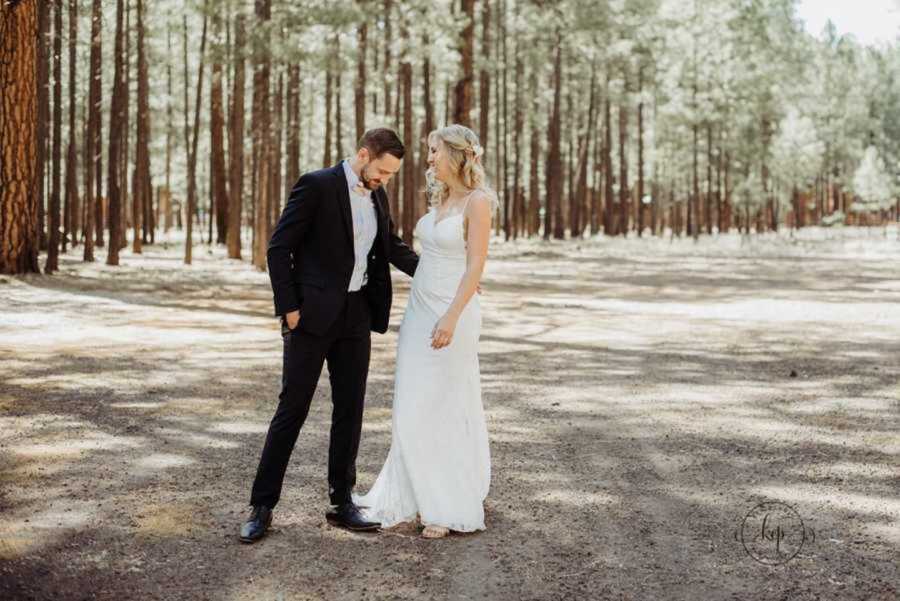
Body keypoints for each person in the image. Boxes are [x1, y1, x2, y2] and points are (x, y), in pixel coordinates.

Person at [239, 128, 419, 543]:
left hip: (357, 316)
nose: (384, 180)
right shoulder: (316, 185)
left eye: (391, 175)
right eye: (382, 172)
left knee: (350, 409)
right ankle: (261, 506)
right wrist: (290, 310)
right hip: (312, 318)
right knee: (292, 409)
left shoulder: (377, 194)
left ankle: (342, 502)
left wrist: (435, 273)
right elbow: (278, 248)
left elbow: (389, 245)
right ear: (362, 154)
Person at [352, 124, 496, 539]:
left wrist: (452, 315)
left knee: (445, 403)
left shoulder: (478, 202)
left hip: (453, 312)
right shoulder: (441, 198)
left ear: (455, 154)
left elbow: (474, 265)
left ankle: (444, 505)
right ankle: (413, 494)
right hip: (418, 311)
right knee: (411, 403)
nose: (429, 158)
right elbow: (420, 253)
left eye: (434, 151)